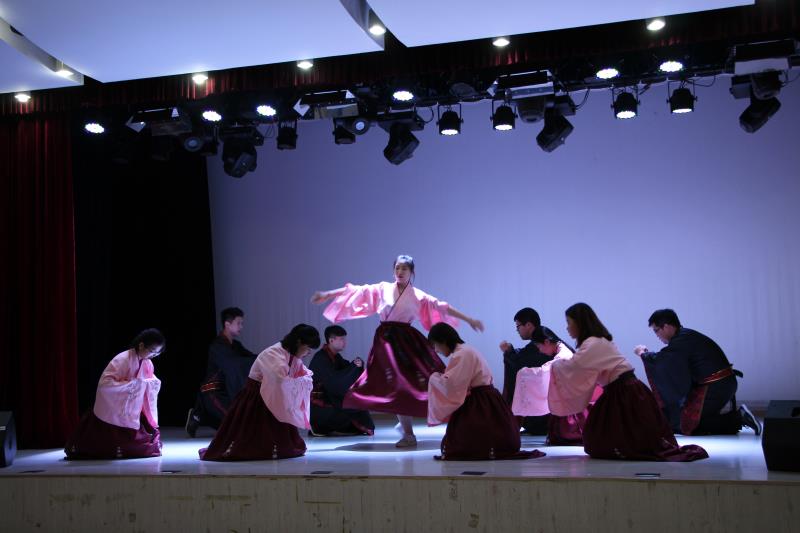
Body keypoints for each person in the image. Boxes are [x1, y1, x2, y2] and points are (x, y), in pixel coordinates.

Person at [311, 254, 484, 448]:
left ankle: (420, 425)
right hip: (386, 342)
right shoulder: (383, 289)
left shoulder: (418, 296)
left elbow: (442, 307)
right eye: (397, 268)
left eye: (404, 268)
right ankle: (407, 431)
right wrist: (328, 294)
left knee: (420, 383)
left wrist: (469, 319)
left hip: (407, 342)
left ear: (412, 272)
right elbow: (356, 291)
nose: (400, 272)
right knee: (395, 386)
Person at [521, 303, 708, 461]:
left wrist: (554, 366)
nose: (567, 328)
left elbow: (574, 366)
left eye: (569, 323)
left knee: (609, 439)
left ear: (580, 323)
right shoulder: (595, 341)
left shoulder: (593, 343)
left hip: (625, 392)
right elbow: (578, 367)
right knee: (597, 436)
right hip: (620, 390)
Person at [199, 324, 320, 461]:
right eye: (308, 348)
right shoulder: (274, 353)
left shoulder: (290, 354)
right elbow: (280, 380)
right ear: (299, 342)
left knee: (282, 440)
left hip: (271, 393)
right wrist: (300, 381)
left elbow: (301, 373)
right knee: (253, 437)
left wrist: (302, 379)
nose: (308, 352)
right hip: (257, 396)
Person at [427, 323, 544, 460]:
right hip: (487, 399)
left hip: (479, 401)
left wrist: (434, 378)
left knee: (460, 444)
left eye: (436, 345)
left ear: (444, 341)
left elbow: (452, 384)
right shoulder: (466, 350)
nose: (436, 350)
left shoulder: (461, 354)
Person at [634, 309, 760, 435]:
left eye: (656, 330)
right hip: (720, 384)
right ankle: (737, 418)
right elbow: (669, 361)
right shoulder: (685, 336)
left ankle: (738, 418)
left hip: (716, 387)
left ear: (666, 327)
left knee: (686, 425)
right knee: (679, 421)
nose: (656, 335)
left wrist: (643, 354)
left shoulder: (682, 340)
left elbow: (662, 361)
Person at [65, 329, 165, 459]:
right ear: (141, 345)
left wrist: (149, 384)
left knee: (145, 444)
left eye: (157, 353)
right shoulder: (123, 359)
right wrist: (134, 385)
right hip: (113, 408)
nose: (153, 355)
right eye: (152, 351)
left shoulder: (148, 363)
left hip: (130, 411)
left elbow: (148, 382)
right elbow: (105, 383)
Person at [512, 326, 602, 445]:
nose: (540, 351)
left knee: (565, 434)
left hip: (574, 398)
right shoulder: (562, 350)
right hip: (574, 395)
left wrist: (524, 373)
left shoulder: (563, 355)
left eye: (539, 346)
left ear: (547, 342)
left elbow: (545, 371)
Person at [186, 307, 257, 437]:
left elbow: (252, 359)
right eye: (238, 323)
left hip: (225, 393)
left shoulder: (236, 346)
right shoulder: (217, 346)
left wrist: (268, 358)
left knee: (239, 423)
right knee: (236, 424)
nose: (241, 327)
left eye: (242, 323)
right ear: (227, 324)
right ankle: (199, 414)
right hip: (213, 393)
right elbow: (235, 364)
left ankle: (200, 415)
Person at [308, 325, 374, 436]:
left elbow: (347, 370)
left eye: (344, 339)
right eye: (342, 339)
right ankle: (318, 427)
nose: (345, 342)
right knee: (349, 413)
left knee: (357, 411)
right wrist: (352, 368)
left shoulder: (336, 357)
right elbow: (334, 383)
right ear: (331, 340)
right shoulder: (320, 358)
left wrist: (357, 365)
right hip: (320, 406)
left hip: (331, 398)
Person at [499, 308, 552, 435]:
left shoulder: (540, 342)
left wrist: (509, 353)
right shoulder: (542, 339)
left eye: (518, 326)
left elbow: (522, 363)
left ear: (528, 325)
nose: (517, 330)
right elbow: (525, 356)